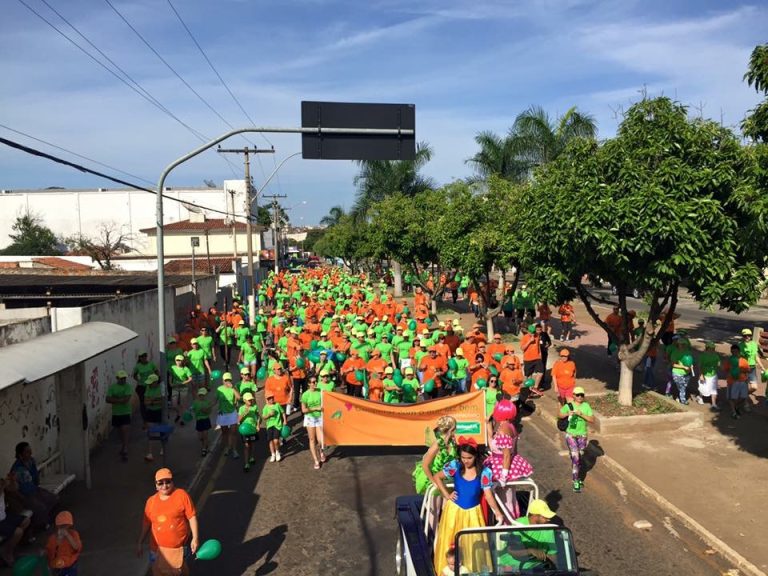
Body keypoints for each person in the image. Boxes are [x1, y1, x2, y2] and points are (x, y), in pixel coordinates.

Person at [432, 438, 504, 576]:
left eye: (469, 458)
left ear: (476, 456)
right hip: (453, 512)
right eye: (463, 457)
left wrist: (497, 512)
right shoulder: (455, 465)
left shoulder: (484, 472)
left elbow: (488, 495)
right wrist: (446, 494)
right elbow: (437, 477)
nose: (465, 461)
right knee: (450, 542)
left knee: (474, 545)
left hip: (473, 514)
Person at [137, 468, 198, 576]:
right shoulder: (151, 502)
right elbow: (146, 523)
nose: (164, 486)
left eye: (168, 482)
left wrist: (195, 538)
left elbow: (191, 517)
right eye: (160, 483)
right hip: (156, 550)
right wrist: (140, 542)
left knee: (181, 571)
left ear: (172, 482)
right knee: (157, 572)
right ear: (156, 485)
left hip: (178, 549)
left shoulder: (181, 495)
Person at [485, 401, 533, 517]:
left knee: (504, 501)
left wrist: (503, 476)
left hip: (502, 466)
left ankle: (507, 524)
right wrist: (487, 421)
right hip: (507, 464)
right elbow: (514, 451)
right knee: (510, 498)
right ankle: (511, 520)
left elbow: (506, 455)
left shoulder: (503, 430)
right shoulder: (510, 426)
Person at [496, 499, 558, 572]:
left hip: (533, 569)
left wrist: (555, 570)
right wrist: (530, 551)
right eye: (545, 517)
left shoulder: (549, 530)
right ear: (535, 516)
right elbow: (511, 550)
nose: (549, 519)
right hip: (510, 566)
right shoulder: (519, 524)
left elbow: (552, 555)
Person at [10, 442, 58, 531]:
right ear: (20, 455)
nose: (30, 453)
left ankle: (45, 520)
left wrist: (37, 488)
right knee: (41, 507)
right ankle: (38, 526)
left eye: (30, 450)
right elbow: (14, 489)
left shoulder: (31, 461)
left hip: (34, 489)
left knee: (53, 498)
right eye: (27, 452)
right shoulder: (16, 469)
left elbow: (35, 477)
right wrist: (23, 498)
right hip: (25, 495)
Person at [558, 387, 594, 492]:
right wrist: (567, 414)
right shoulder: (569, 405)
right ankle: (576, 481)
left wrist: (581, 414)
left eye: (582, 395)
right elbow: (559, 415)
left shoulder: (586, 406)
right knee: (576, 458)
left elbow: (592, 420)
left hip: (582, 435)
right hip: (571, 435)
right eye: (578, 395)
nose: (580, 397)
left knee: (580, 456)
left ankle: (576, 469)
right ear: (573, 395)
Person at [412, 416, 457, 495]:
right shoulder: (437, 445)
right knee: (439, 497)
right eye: (455, 428)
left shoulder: (452, 442)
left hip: (447, 477)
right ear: (451, 429)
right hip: (435, 478)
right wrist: (434, 482)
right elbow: (425, 465)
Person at [0, 473, 31, 566]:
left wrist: (13, 480)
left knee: (26, 520)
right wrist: (2, 487)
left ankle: (8, 547)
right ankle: (7, 552)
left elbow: (13, 488)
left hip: (4, 516)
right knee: (18, 532)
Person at [107, 370, 133, 461]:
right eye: (121, 378)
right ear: (117, 378)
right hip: (116, 413)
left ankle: (125, 447)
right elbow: (107, 399)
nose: (123, 380)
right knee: (119, 431)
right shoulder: (112, 387)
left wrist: (115, 399)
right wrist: (120, 400)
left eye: (124, 378)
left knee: (125, 429)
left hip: (125, 412)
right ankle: (123, 444)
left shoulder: (128, 386)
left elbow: (126, 400)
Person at [46, 511, 81, 576]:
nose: (63, 528)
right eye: (61, 526)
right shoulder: (52, 538)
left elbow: (76, 547)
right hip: (57, 567)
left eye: (65, 525)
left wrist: (67, 535)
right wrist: (59, 539)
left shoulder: (73, 534)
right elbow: (50, 552)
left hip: (70, 566)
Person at [301, 376, 325, 470]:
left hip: (319, 418)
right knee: (312, 440)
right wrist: (315, 408)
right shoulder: (305, 395)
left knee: (320, 440)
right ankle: (316, 460)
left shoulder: (320, 391)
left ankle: (321, 451)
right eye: (313, 382)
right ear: (309, 383)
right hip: (310, 418)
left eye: (315, 382)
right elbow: (303, 410)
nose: (315, 383)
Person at [216, 372, 241, 459]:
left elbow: (239, 397)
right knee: (225, 432)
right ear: (222, 380)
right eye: (226, 380)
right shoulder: (219, 389)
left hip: (232, 413)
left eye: (229, 380)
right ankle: (227, 448)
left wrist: (233, 388)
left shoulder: (233, 388)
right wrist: (208, 406)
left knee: (233, 432)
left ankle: (234, 450)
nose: (227, 382)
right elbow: (215, 400)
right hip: (223, 413)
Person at [723, 344, 750, 420]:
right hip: (732, 381)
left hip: (742, 381)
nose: (734, 353)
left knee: (743, 397)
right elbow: (725, 369)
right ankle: (734, 412)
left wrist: (741, 371)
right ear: (731, 352)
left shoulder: (743, 360)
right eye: (732, 352)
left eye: (736, 351)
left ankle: (736, 406)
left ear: (739, 351)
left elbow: (748, 370)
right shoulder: (729, 360)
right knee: (731, 397)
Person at [739, 328, 765, 404]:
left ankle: (743, 395)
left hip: (752, 368)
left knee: (754, 387)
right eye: (745, 335)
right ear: (742, 336)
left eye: (749, 335)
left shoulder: (754, 344)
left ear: (751, 336)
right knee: (744, 386)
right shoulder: (740, 345)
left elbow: (756, 356)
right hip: (743, 368)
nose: (747, 337)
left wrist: (762, 366)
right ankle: (744, 403)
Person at [133, 351, 159, 425]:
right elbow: (134, 375)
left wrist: (155, 380)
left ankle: (153, 418)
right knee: (143, 403)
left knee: (152, 401)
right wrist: (139, 380)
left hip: (151, 386)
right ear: (140, 358)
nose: (144, 358)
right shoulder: (137, 366)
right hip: (142, 387)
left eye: (145, 356)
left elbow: (157, 372)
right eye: (142, 356)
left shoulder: (151, 364)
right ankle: (145, 420)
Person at [143, 375, 165, 462]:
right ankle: (150, 453)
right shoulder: (148, 388)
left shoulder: (161, 388)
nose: (149, 384)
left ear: (155, 382)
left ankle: (163, 447)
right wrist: (155, 400)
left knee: (161, 431)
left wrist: (151, 401)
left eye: (151, 383)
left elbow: (162, 401)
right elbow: (145, 402)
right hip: (150, 412)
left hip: (159, 412)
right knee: (150, 431)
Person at [238, 392, 261, 472]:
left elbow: (258, 416)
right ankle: (246, 463)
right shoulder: (241, 408)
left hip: (252, 428)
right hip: (245, 430)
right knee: (246, 446)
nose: (250, 401)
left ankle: (251, 457)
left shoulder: (254, 407)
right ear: (244, 400)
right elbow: (238, 420)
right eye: (249, 400)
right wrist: (244, 413)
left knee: (252, 444)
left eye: (251, 399)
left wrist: (258, 425)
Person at [262, 394, 287, 463]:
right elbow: (264, 417)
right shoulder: (265, 407)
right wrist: (269, 415)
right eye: (270, 398)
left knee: (276, 440)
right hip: (269, 426)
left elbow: (283, 412)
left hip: (277, 425)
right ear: (267, 400)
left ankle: (277, 452)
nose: (272, 399)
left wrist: (285, 420)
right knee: (270, 441)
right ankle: (273, 454)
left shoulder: (277, 405)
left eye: (272, 398)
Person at [697, 341, 720, 410]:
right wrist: (701, 375)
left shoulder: (716, 356)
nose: (713, 349)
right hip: (705, 375)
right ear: (707, 348)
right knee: (703, 388)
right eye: (711, 348)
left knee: (714, 390)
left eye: (713, 348)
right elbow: (699, 366)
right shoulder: (702, 356)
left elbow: (718, 364)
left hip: (713, 376)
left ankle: (714, 404)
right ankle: (700, 397)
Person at [191, 388, 212, 457]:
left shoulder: (208, 402)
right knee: (200, 437)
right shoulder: (195, 402)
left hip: (205, 420)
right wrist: (190, 410)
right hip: (198, 421)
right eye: (200, 395)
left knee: (205, 435)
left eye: (203, 395)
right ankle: (205, 444)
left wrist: (205, 410)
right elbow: (192, 409)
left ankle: (204, 449)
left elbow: (209, 412)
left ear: (205, 395)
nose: (201, 396)